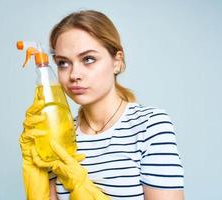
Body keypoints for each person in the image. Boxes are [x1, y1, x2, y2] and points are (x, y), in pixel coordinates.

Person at [20, 10, 184, 200]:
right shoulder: (59, 136)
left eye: (88, 59)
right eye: (63, 63)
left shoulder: (149, 126)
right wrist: (34, 168)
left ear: (117, 62)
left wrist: (84, 189)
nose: (74, 74)